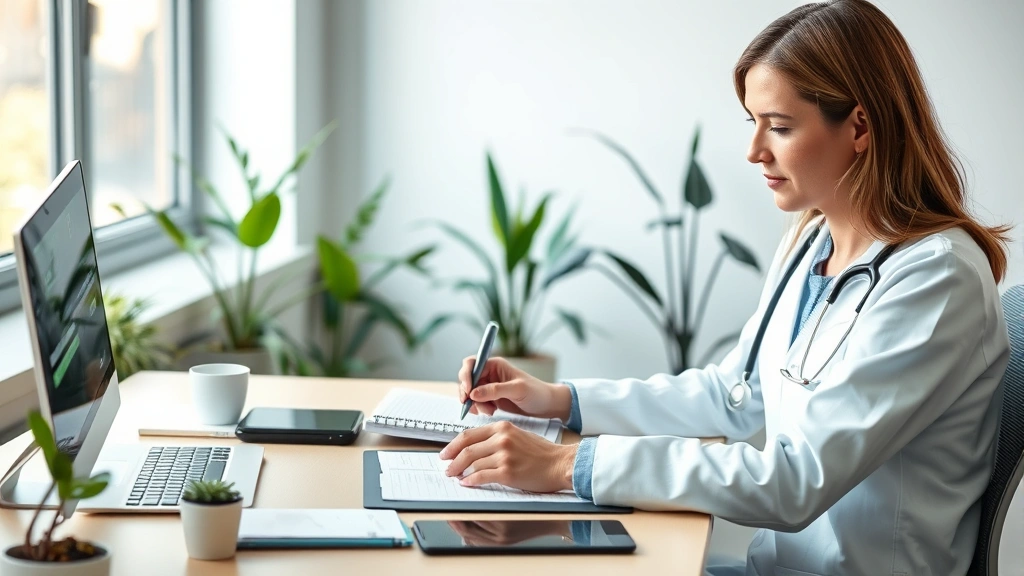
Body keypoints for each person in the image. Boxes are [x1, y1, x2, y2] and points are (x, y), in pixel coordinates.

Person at [439, 1, 1012, 574]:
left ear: (859, 126)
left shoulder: (937, 278)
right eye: (754, 122)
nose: (754, 150)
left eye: (781, 127)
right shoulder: (814, 243)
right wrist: (559, 400)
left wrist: (568, 465)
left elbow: (793, 481)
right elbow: (732, 395)